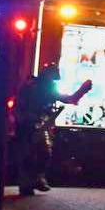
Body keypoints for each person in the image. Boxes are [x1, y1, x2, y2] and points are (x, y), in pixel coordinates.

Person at [13, 66, 92, 196]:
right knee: (36, 154)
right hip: (29, 125)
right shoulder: (41, 88)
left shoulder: (33, 85)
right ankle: (30, 181)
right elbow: (70, 99)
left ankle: (32, 181)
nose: (53, 83)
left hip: (33, 124)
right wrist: (83, 89)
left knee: (38, 153)